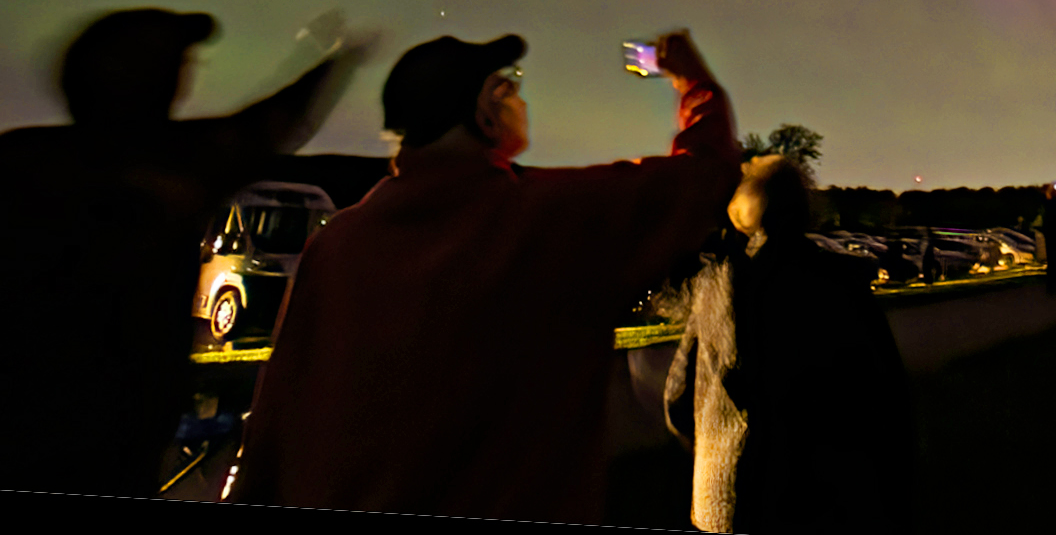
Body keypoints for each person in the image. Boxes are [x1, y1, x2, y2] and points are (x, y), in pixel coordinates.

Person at [231, 29, 739, 520]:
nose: (522, 99)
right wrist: (692, 81)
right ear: (484, 116)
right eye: (508, 87)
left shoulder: (336, 246)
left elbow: (275, 415)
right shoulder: (546, 221)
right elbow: (703, 175)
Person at [0, 6, 369, 497]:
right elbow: (269, 126)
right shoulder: (177, 163)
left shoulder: (19, 161)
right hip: (112, 439)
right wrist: (338, 62)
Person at [663, 154, 912, 533]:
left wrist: (711, 449)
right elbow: (886, 396)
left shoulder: (715, 287)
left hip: (725, 498)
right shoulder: (839, 282)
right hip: (817, 496)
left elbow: (678, 396)